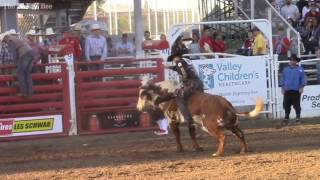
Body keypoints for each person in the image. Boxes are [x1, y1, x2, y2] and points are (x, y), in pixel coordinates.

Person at [156, 52, 204, 127]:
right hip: (199, 83)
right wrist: (167, 67)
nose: (174, 60)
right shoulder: (186, 61)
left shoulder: (179, 62)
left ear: (177, 57)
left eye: (174, 58)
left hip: (191, 84)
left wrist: (184, 82)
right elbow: (177, 68)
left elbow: (183, 73)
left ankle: (188, 120)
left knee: (179, 97)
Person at [1, 30, 35, 97]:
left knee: (20, 74)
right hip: (30, 52)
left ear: (5, 38)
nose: (4, 42)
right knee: (27, 74)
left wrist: (15, 62)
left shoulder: (10, 40)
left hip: (24, 54)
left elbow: (14, 53)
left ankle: (24, 93)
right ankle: (30, 92)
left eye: (3, 41)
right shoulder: (16, 39)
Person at [280, 54, 306, 125]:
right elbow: (282, 78)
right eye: (290, 60)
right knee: (286, 104)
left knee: (297, 105)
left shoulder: (300, 69)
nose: (291, 61)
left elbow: (303, 79)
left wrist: (301, 87)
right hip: (287, 90)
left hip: (296, 90)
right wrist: (282, 88)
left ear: (295, 61)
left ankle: (297, 118)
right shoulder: (285, 69)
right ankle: (286, 118)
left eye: (292, 60)